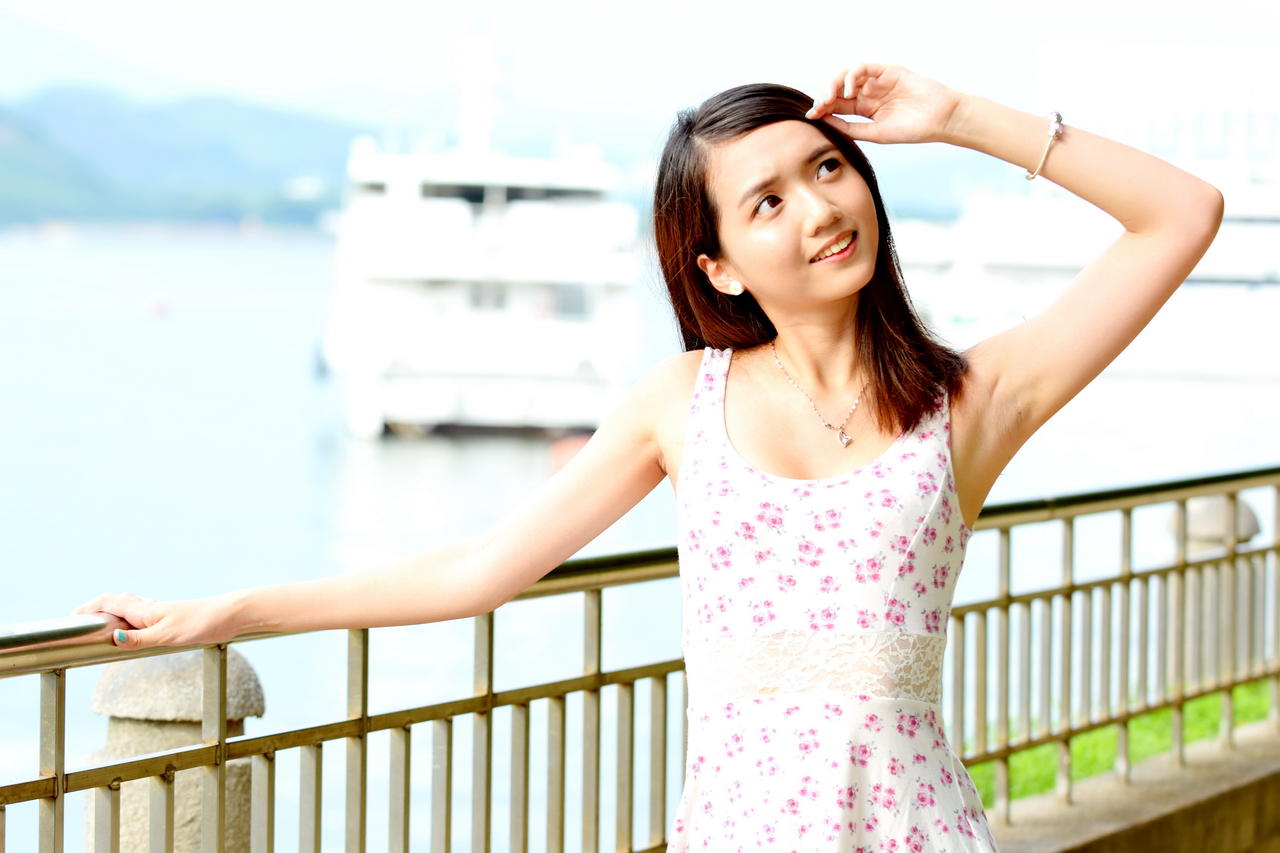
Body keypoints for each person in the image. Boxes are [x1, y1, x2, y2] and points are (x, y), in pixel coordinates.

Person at [77, 62, 1223, 851]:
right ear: (716, 264)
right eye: (765, 202)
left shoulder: (965, 402)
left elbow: (1180, 212)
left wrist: (960, 115)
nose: (817, 209)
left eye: (826, 168)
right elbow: (475, 570)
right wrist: (228, 610)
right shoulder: (682, 403)